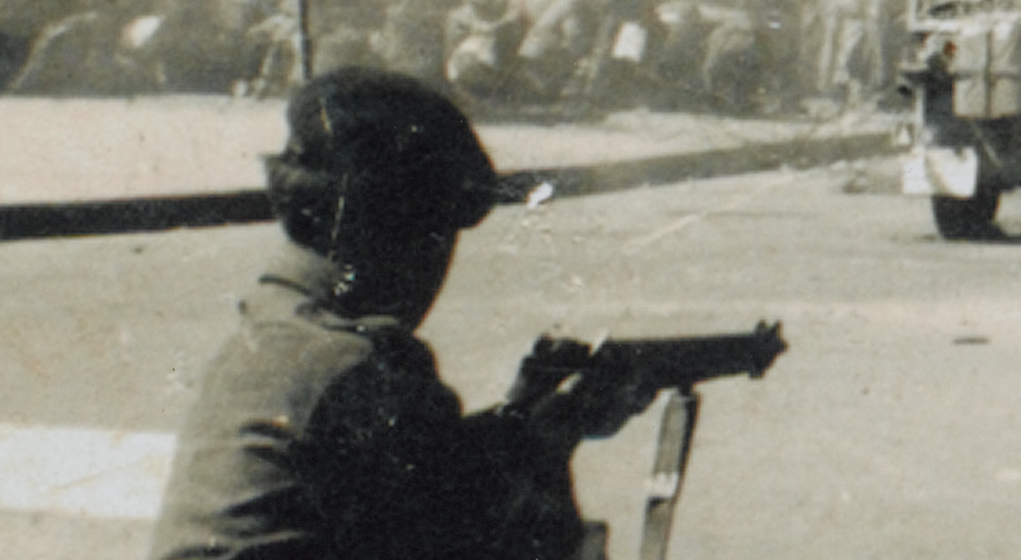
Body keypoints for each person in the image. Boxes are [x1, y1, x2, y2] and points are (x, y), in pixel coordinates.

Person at [150, 68, 657, 560]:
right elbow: (463, 532)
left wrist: (519, 418)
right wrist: (550, 439)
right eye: (440, 236)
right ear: (401, 231)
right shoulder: (364, 367)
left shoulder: (275, 331)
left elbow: (409, 482)